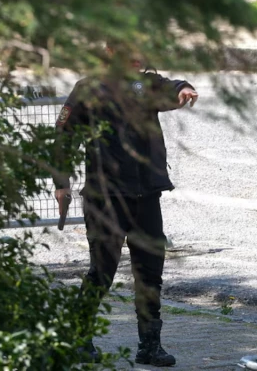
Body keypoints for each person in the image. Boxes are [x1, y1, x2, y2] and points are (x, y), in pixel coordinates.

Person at [53, 46, 198, 366]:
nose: (138, 57)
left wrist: (183, 88)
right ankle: (78, 338)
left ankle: (150, 346)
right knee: (102, 272)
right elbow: (63, 135)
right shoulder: (88, 89)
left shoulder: (146, 84)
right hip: (106, 197)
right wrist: (61, 182)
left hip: (146, 196)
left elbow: (169, 87)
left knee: (150, 273)